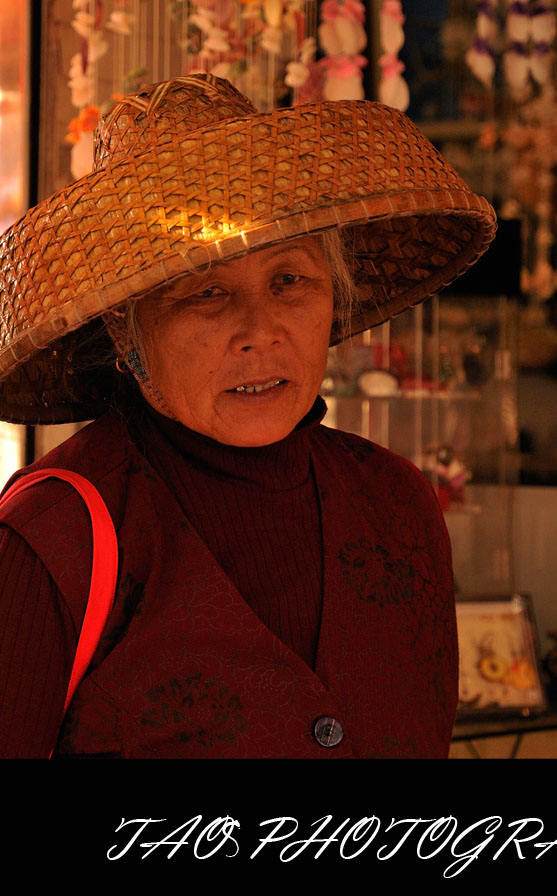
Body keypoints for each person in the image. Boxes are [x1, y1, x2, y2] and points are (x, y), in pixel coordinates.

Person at [0, 73, 496, 758]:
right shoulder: (53, 541)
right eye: (206, 292)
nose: (259, 332)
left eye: (288, 281)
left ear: (333, 294)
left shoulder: (397, 505)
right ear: (124, 329)